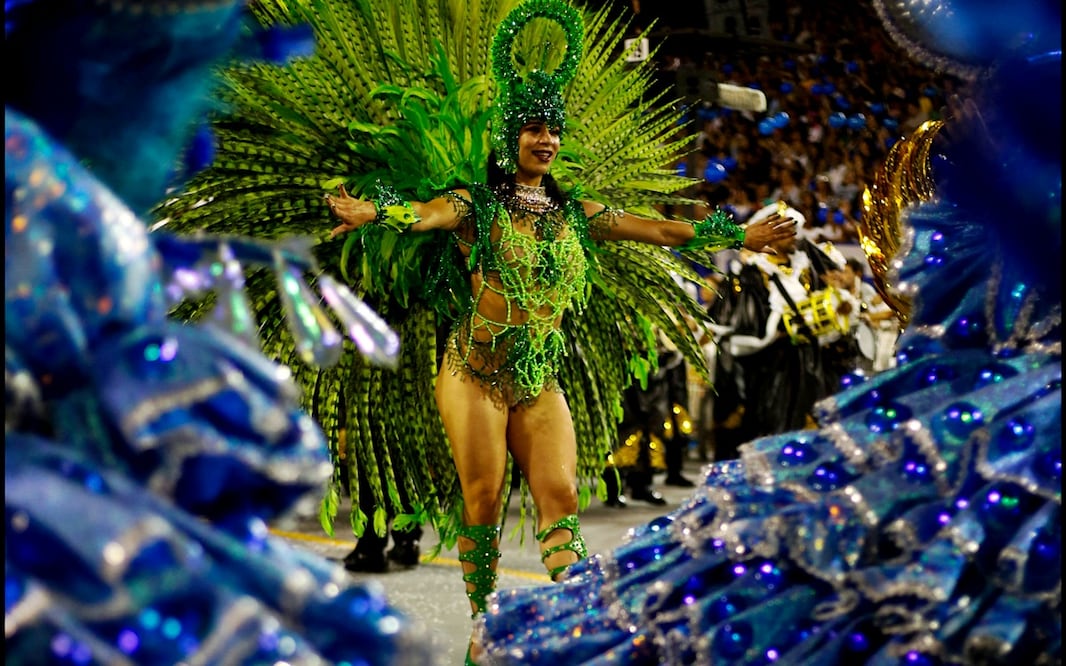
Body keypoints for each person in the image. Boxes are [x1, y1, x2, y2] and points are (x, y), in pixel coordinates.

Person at [471, 0, 1063, 659]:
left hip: (567, 370)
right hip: (482, 364)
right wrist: (384, 212)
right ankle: (477, 607)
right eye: (533, 130)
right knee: (483, 498)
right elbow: (419, 216)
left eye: (553, 130)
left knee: (558, 499)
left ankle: (545, 612)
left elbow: (665, 230)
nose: (547, 141)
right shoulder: (475, 205)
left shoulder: (575, 209)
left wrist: (740, 235)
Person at [4, 2, 434, 664]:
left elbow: (436, 213)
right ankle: (380, 537)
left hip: (418, 342)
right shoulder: (47, 187)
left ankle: (399, 535)